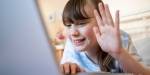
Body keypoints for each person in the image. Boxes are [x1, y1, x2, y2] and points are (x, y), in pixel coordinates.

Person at [60, 0, 150, 74]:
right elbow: (65, 66)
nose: (73, 33)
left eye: (81, 23)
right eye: (68, 25)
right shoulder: (71, 44)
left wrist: (119, 53)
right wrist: (66, 67)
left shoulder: (121, 39)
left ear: (102, 21)